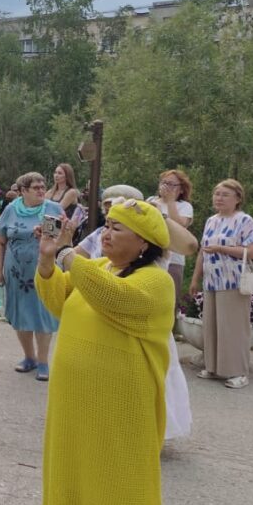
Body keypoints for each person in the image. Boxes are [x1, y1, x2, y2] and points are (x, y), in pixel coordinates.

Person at [34, 200, 174, 505]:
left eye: (117, 228)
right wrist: (48, 260)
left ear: (144, 243)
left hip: (123, 406)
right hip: (75, 401)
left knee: (127, 480)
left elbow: (112, 298)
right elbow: (58, 301)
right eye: (106, 225)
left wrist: (68, 255)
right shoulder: (97, 268)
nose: (106, 234)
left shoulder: (156, 281)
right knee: (75, 470)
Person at [71, 187, 195, 442]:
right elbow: (76, 257)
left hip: (142, 320)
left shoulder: (151, 236)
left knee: (152, 381)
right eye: (107, 205)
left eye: (117, 204)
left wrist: (157, 216)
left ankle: (151, 431)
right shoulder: (103, 233)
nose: (111, 210)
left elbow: (190, 245)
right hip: (104, 321)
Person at [190, 178, 253, 389]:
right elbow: (202, 251)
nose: (219, 198)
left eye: (225, 195)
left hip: (233, 281)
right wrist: (195, 278)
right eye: (217, 194)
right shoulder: (211, 220)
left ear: (237, 199)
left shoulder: (244, 220)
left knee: (233, 328)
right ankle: (213, 367)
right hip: (212, 281)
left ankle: (239, 372)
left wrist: (222, 249)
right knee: (212, 326)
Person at [0, 172, 64, 381]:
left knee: (43, 314)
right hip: (16, 273)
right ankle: (29, 357)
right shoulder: (11, 209)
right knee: (21, 314)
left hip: (44, 272)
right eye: (36, 187)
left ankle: (43, 361)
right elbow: (0, 240)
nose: (41, 191)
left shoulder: (52, 209)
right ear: (23, 190)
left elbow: (58, 241)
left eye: (43, 187)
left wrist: (46, 235)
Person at [148, 169, 194, 315]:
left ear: (181, 189)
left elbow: (179, 227)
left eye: (172, 184)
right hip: (149, 256)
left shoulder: (184, 206)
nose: (166, 187)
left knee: (169, 302)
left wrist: (170, 202)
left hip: (174, 259)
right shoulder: (151, 201)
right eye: (164, 183)